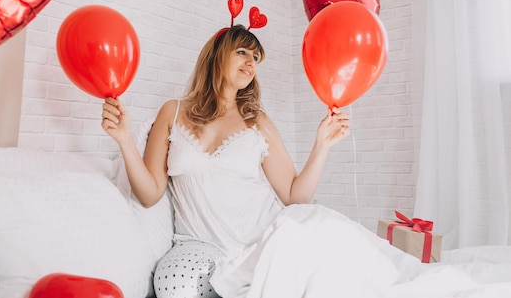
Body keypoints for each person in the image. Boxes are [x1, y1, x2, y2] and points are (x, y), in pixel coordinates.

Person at [101, 22, 418, 298]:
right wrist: (125, 140)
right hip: (199, 245)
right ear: (216, 55)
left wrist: (321, 145)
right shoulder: (172, 111)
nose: (251, 62)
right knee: (173, 285)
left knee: (338, 273)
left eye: (256, 58)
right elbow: (149, 194)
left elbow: (295, 196)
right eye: (242, 52)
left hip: (263, 240)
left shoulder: (257, 120)